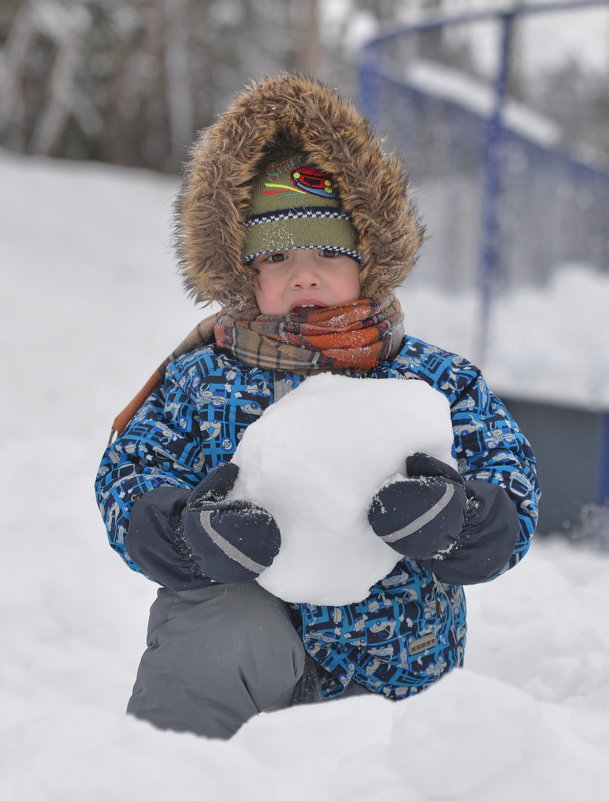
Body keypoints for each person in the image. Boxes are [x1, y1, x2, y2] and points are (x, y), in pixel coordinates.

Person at [95, 73, 540, 739]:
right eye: (276, 257)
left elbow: (510, 476)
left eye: (329, 252)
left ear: (370, 259)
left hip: (391, 672)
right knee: (213, 628)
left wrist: (460, 519)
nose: (304, 274)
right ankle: (174, 769)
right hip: (245, 658)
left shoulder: (432, 379)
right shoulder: (201, 379)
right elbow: (131, 469)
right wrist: (188, 533)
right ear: (244, 273)